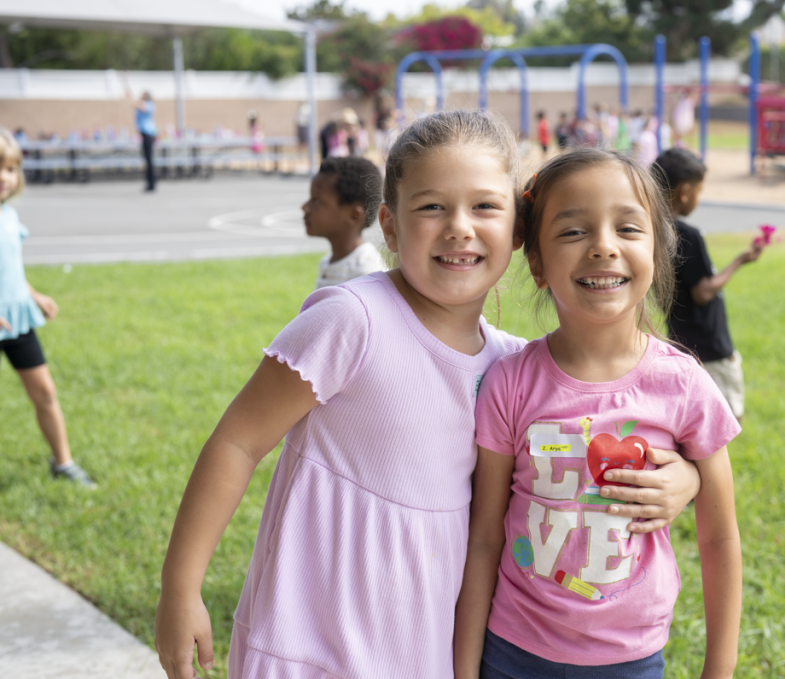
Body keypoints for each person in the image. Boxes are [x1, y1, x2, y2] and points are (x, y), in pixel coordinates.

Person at [154, 110, 698, 679]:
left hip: (423, 653)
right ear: (389, 227)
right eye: (432, 207)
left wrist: (688, 478)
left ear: (518, 231)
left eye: (484, 206)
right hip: (309, 647)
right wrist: (180, 588)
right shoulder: (352, 320)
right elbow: (237, 443)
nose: (459, 227)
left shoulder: (511, 368)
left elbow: (583, 451)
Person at [454, 148, 742, 678]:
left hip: (632, 659)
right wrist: (465, 669)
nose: (604, 246)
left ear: (656, 250)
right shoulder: (508, 383)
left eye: (629, 229)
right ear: (537, 263)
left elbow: (719, 538)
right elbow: (485, 537)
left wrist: (719, 669)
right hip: (511, 653)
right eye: (572, 231)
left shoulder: (685, 385)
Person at [0, 130, 95, 488]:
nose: (4, 176)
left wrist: (34, 295)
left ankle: (63, 463)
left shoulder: (9, 216)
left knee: (45, 392)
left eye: (10, 169)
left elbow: (9, 270)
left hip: (17, 321)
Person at [651, 148, 764, 422]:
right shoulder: (687, 235)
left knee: (690, 421)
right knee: (725, 421)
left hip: (680, 341)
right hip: (710, 346)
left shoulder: (651, 232)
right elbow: (703, 292)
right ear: (685, 191)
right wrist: (740, 261)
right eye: (699, 191)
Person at [303, 156, 388, 289]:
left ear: (354, 215)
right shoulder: (327, 262)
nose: (305, 207)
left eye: (317, 201)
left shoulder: (367, 274)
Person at [125, 86, 158, 192]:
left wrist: (131, 96)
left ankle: (152, 184)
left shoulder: (149, 104)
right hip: (144, 134)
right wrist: (129, 97)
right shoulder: (143, 104)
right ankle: (149, 182)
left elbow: (138, 105)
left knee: (149, 159)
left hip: (148, 134)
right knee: (147, 159)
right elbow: (134, 104)